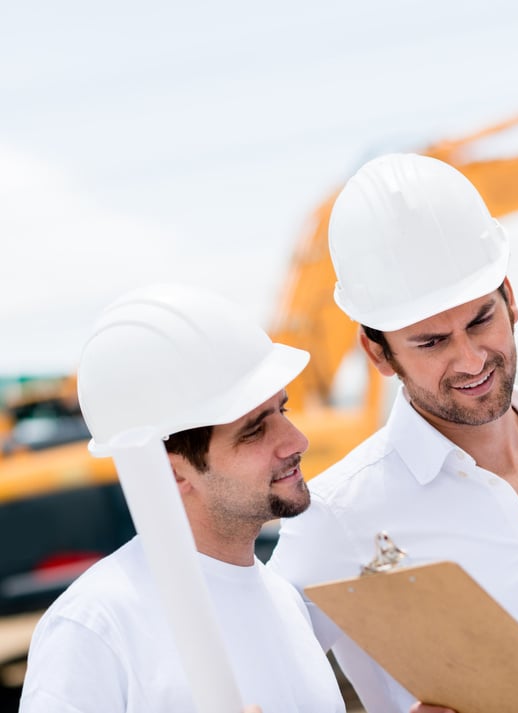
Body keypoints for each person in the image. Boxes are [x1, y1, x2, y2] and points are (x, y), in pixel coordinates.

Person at [267, 153, 518, 713]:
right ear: (377, 353)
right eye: (431, 342)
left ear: (511, 297)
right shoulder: (340, 515)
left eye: (481, 319)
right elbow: (259, 683)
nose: (471, 358)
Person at [19, 283, 346, 713]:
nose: (296, 441)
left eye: (281, 411)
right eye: (254, 429)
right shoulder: (96, 627)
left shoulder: (283, 600)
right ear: (168, 472)